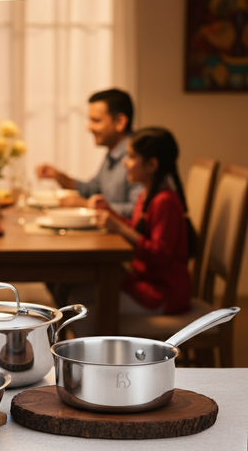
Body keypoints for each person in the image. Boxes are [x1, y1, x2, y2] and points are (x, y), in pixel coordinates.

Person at [70, 126, 195, 336]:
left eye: (131, 157)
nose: (124, 163)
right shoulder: (146, 195)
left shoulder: (165, 201)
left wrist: (118, 225)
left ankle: (97, 363)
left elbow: (159, 255)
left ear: (151, 165)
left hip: (162, 293)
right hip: (145, 283)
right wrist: (109, 212)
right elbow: (137, 230)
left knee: (82, 310)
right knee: (76, 297)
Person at [36, 88, 142, 218]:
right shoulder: (113, 153)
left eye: (96, 121)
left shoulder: (138, 157)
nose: (89, 127)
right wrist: (58, 176)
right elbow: (92, 190)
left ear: (120, 122)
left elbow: (138, 211)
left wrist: (87, 205)